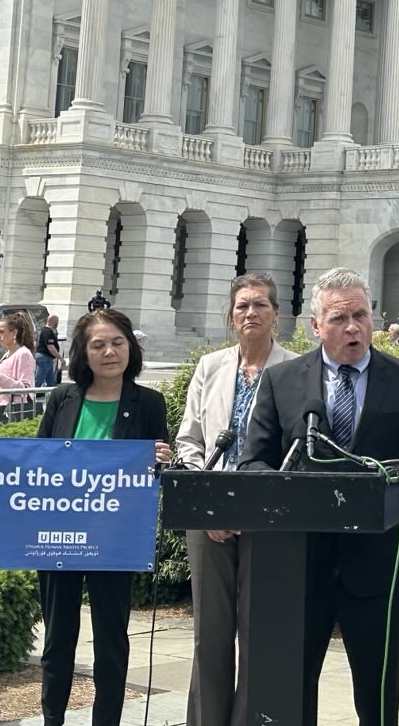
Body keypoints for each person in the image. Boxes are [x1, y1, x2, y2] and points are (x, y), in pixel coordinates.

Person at [237, 268, 399, 726]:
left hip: (379, 567)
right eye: (340, 317)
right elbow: (253, 463)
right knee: (292, 686)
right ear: (315, 325)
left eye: (361, 315)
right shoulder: (282, 381)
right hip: (299, 562)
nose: (353, 327)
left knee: (378, 692)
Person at [33, 309, 172, 726]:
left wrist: (161, 460)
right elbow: (38, 458)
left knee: (111, 638)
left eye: (117, 342)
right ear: (83, 353)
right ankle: (52, 718)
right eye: (98, 345)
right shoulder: (63, 398)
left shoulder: (149, 403)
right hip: (59, 534)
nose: (109, 352)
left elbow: (156, 470)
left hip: (115, 537)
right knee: (58, 637)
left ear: (131, 347)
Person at [177, 274, 297, 726]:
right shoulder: (210, 366)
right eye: (243, 305)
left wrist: (259, 506)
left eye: (261, 305)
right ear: (231, 315)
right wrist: (210, 504)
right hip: (209, 512)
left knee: (258, 633)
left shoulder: (295, 368)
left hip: (268, 517)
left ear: (276, 315)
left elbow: (299, 448)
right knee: (210, 635)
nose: (251, 313)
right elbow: (189, 439)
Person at [35, 312, 63, 387]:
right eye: (57, 322)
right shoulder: (48, 332)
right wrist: (60, 358)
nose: (57, 324)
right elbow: (51, 348)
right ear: (53, 322)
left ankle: (53, 395)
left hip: (47, 359)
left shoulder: (45, 330)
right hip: (44, 358)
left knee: (51, 381)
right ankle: (29, 395)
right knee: (39, 380)